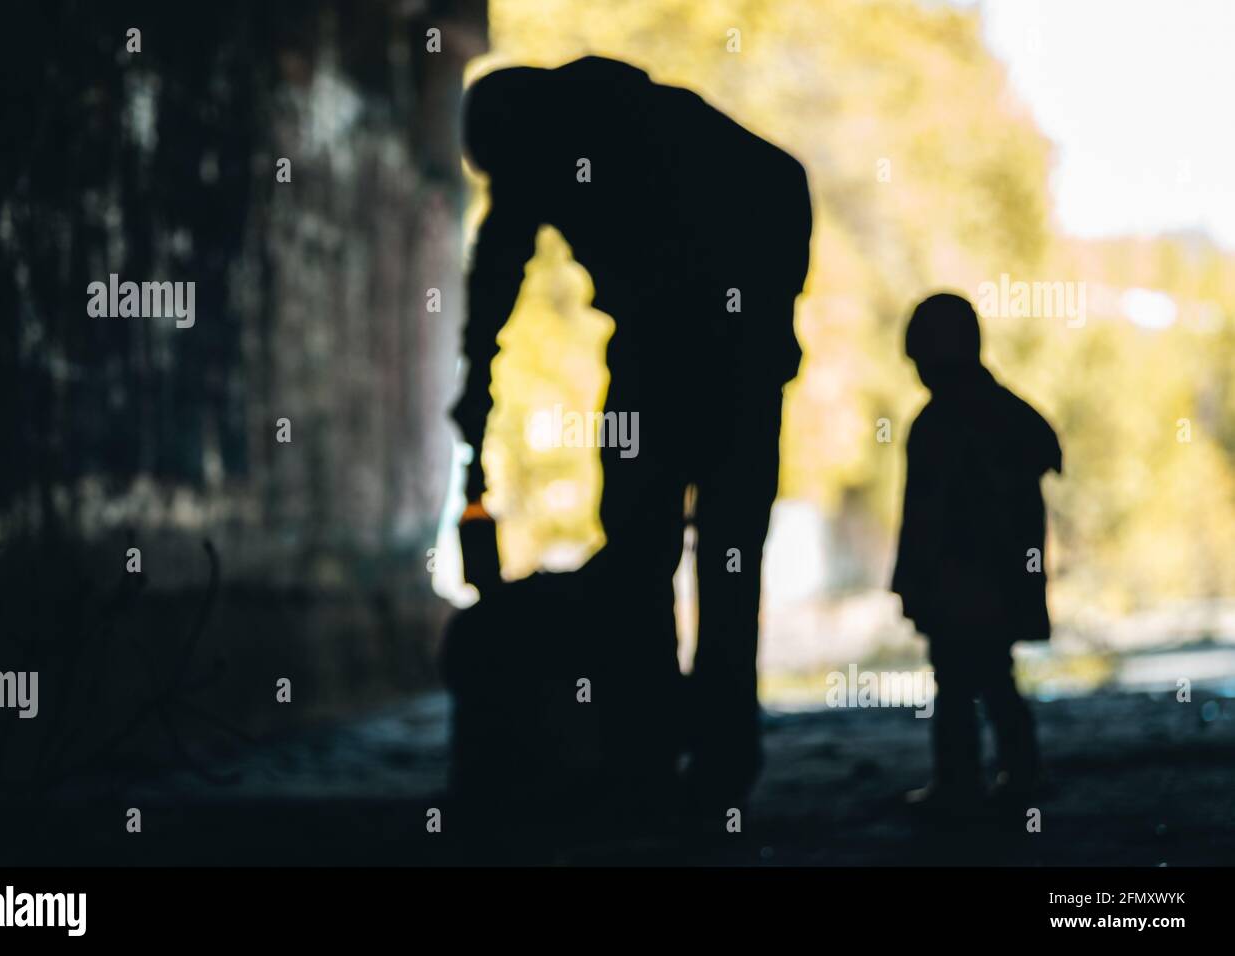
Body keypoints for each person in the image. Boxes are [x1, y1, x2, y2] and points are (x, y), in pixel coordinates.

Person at [445, 56, 812, 809]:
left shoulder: (580, 126)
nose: (510, 197)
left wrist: (476, 378)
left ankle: (665, 757)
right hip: (711, 362)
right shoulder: (583, 125)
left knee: (665, 555)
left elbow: (500, 260)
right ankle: (699, 759)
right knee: (707, 560)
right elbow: (500, 257)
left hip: (700, 357)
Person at [891, 292, 1062, 809]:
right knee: (990, 677)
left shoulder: (938, 425)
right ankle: (1016, 772)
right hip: (990, 585)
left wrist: (914, 580)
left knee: (959, 684)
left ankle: (963, 782)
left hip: (961, 584)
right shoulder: (1008, 415)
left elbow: (924, 517)